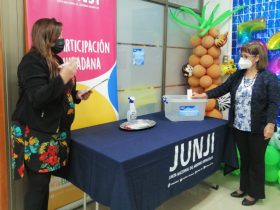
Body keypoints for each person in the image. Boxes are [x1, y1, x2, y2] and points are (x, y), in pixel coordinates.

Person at [11, 18, 91, 210]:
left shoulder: (57, 60)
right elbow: (38, 98)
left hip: (54, 134)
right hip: (36, 135)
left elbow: (61, 92)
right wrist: (64, 76)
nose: (62, 39)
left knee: (44, 185)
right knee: (37, 189)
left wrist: (77, 95)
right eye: (59, 36)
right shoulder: (31, 61)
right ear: (46, 37)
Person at [192, 41, 279, 206]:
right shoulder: (238, 75)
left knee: (256, 161)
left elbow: (274, 103)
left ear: (256, 58)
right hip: (239, 126)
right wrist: (203, 96)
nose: (241, 59)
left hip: (258, 128)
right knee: (245, 159)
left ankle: (254, 193)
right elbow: (221, 89)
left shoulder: (269, 78)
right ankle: (243, 188)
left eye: (245, 56)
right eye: (242, 55)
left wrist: (270, 124)